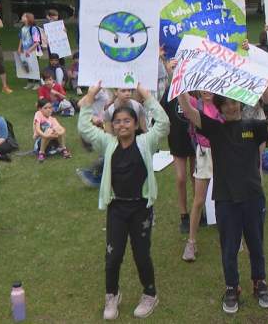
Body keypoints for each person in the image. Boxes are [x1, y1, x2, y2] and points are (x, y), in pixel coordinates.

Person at [178, 78, 268, 314]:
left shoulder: (253, 126)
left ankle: (259, 282)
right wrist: (179, 83)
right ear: (219, 107)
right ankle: (232, 287)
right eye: (225, 104)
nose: (231, 107)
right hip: (226, 200)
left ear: (240, 103)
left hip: (253, 197)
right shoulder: (214, 128)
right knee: (229, 247)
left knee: (256, 244)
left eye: (234, 102)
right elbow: (188, 110)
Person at [78, 82, 170, 320]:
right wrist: (90, 97)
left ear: (136, 124)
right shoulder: (108, 143)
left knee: (142, 254)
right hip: (117, 207)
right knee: (113, 255)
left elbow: (163, 124)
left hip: (141, 207)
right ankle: (112, 295)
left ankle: (150, 294)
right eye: (117, 121)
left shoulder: (145, 142)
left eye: (127, 121)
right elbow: (84, 128)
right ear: (112, 125)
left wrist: (146, 96)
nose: (122, 125)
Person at [182, 91, 217, 262]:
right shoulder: (196, 104)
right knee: (198, 200)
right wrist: (177, 79)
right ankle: (191, 242)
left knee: (229, 197)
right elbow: (184, 102)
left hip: (223, 153)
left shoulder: (223, 103)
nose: (206, 91)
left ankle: (235, 236)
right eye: (203, 88)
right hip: (203, 155)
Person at [161, 83, 195, 234]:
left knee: (196, 176)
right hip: (177, 139)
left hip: (195, 139)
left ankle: (199, 211)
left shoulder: (195, 88)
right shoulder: (171, 89)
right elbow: (161, 112)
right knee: (181, 178)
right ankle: (184, 215)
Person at [17, 12, 42, 90]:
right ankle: (30, 82)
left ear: (28, 18)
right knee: (27, 66)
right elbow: (21, 39)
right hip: (25, 51)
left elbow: (37, 42)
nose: (22, 17)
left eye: (24, 16)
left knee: (34, 67)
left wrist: (29, 50)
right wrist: (19, 48)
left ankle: (37, 83)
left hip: (33, 51)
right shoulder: (23, 28)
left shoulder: (34, 28)